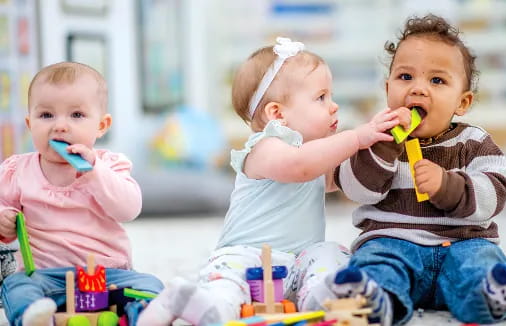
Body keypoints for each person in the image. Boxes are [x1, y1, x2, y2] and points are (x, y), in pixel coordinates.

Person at [137, 37, 399, 326]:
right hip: (246, 257)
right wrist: (356, 137)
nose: (334, 106)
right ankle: (204, 304)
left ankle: (324, 295)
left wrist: (378, 150)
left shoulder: (313, 154)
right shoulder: (265, 147)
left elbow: (346, 177)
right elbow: (300, 166)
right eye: (321, 97)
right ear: (277, 114)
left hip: (299, 263)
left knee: (330, 251)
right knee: (228, 284)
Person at [326, 14, 506, 325]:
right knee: (376, 261)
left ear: (463, 102)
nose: (418, 90)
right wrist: (384, 148)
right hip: (393, 242)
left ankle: (489, 296)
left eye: (437, 81)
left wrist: (448, 186)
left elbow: (495, 194)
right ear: (387, 87)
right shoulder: (373, 137)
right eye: (405, 77)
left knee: (478, 262)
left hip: (461, 242)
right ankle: (374, 298)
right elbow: (355, 188)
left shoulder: (474, 142)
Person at [0, 62, 164, 326]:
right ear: (30, 124)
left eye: (76, 115)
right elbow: (2, 208)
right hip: (46, 276)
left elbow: (129, 209)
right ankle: (35, 317)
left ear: (101, 125)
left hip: (108, 275)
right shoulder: (16, 170)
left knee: (150, 284)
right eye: (46, 115)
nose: (60, 126)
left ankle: (144, 317)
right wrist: (4, 219)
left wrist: (95, 172)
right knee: (15, 286)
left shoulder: (109, 165)